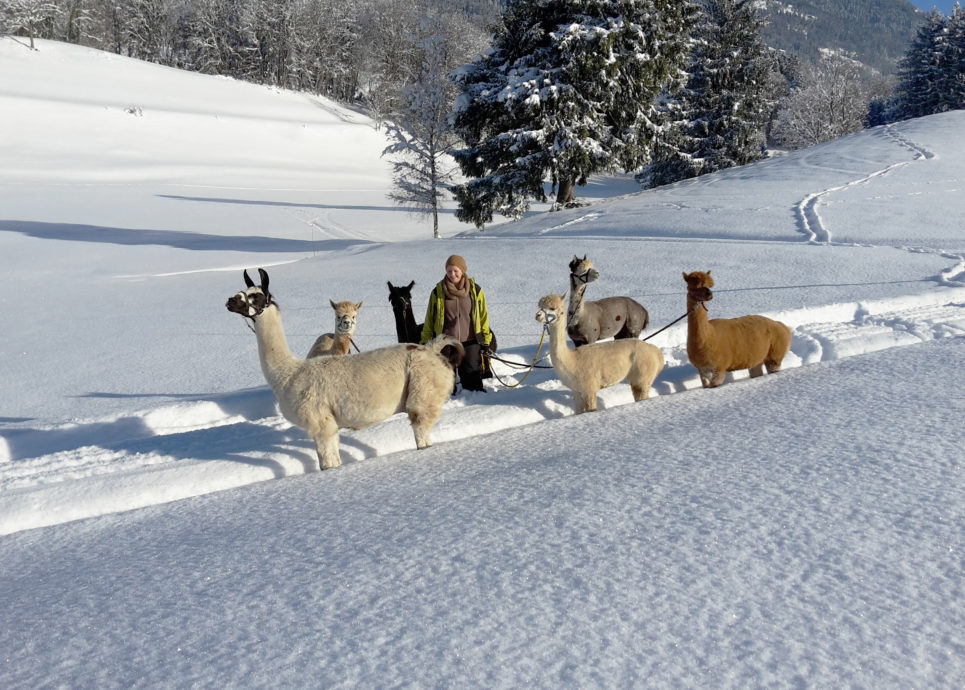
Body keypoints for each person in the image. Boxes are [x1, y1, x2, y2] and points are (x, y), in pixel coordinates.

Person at [420, 255, 495, 392]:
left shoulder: (475, 290)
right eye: (449, 271)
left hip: (470, 341)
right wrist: (425, 341)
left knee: (473, 383)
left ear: (463, 271)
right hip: (446, 343)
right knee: (445, 383)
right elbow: (430, 319)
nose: (452, 274)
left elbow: (483, 317)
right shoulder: (438, 292)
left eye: (456, 271)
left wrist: (485, 341)